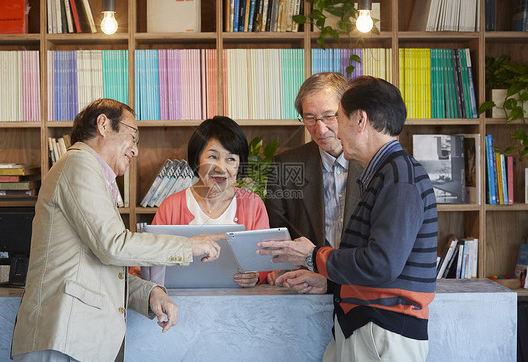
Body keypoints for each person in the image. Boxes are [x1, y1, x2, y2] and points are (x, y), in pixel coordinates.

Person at [11, 99, 222, 362]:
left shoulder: (90, 173)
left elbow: (101, 265)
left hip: (79, 342)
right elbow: (113, 246)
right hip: (64, 339)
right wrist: (188, 246)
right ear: (103, 125)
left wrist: (150, 293)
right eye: (133, 137)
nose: (135, 150)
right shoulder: (80, 164)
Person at [258, 76, 438, 361]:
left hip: (380, 328)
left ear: (360, 120)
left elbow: (380, 264)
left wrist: (314, 256)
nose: (332, 130)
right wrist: (327, 282)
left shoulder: (398, 176)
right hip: (360, 323)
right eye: (309, 118)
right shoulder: (386, 172)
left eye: (336, 117)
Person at [142, 116, 271, 288]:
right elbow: (151, 258)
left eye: (231, 159)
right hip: (181, 302)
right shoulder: (171, 205)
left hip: (240, 302)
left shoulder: (253, 205)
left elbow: (266, 262)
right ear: (197, 159)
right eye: (212, 156)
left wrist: (256, 276)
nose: (220, 168)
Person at [264, 72, 362, 284]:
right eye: (310, 118)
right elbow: (278, 232)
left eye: (329, 116)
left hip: (360, 287)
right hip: (304, 284)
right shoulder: (286, 165)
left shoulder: (371, 163)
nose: (320, 129)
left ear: (347, 113)